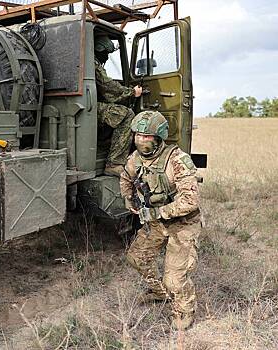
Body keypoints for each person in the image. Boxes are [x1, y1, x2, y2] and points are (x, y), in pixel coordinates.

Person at [119, 111, 201, 331]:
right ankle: (158, 293)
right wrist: (129, 200)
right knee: (137, 258)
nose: (140, 140)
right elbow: (126, 178)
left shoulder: (176, 160)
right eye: (137, 135)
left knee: (174, 278)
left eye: (146, 136)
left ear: (158, 137)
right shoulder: (135, 159)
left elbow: (190, 201)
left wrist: (158, 213)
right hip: (156, 223)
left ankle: (184, 310)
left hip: (182, 223)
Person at [94, 35, 142, 177]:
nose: (107, 57)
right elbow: (108, 87)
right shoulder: (93, 64)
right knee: (126, 115)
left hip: (83, 104)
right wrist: (132, 92)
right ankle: (114, 163)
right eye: (106, 53)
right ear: (99, 50)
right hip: (88, 106)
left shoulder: (88, 61)